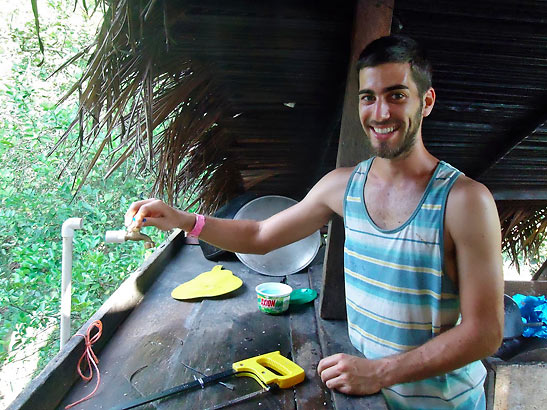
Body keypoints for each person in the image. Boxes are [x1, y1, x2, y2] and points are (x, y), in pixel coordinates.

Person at [124, 35, 503, 409]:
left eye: (397, 95)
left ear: (427, 101)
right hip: (371, 398)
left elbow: (485, 333)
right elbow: (260, 234)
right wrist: (183, 219)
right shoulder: (342, 186)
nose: (381, 112)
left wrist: (379, 372)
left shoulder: (464, 200)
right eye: (368, 97)